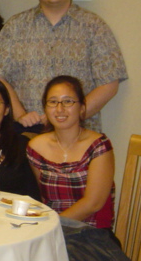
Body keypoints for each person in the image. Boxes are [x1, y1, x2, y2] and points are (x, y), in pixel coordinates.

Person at [0, 0, 128, 133]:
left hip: (78, 135)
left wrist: (72, 116)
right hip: (26, 132)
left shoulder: (94, 26)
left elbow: (109, 84)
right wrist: (20, 115)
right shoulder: (15, 26)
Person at [26, 75, 115, 230]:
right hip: (52, 232)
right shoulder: (36, 147)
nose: (60, 109)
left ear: (82, 107)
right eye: (53, 102)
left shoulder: (99, 146)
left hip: (91, 233)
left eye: (68, 101)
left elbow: (93, 204)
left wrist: (52, 226)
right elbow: (42, 198)